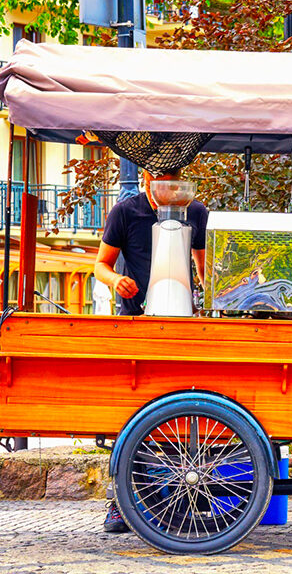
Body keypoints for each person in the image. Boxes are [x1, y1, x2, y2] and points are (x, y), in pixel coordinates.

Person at [93, 170, 209, 532]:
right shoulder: (125, 212)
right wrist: (117, 281)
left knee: (179, 412)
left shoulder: (196, 212)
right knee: (131, 414)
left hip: (183, 326)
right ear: (146, 180)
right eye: (164, 183)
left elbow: (204, 265)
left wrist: (210, 296)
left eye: (177, 183)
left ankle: (177, 498)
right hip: (136, 323)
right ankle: (120, 502)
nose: (171, 191)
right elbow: (101, 265)